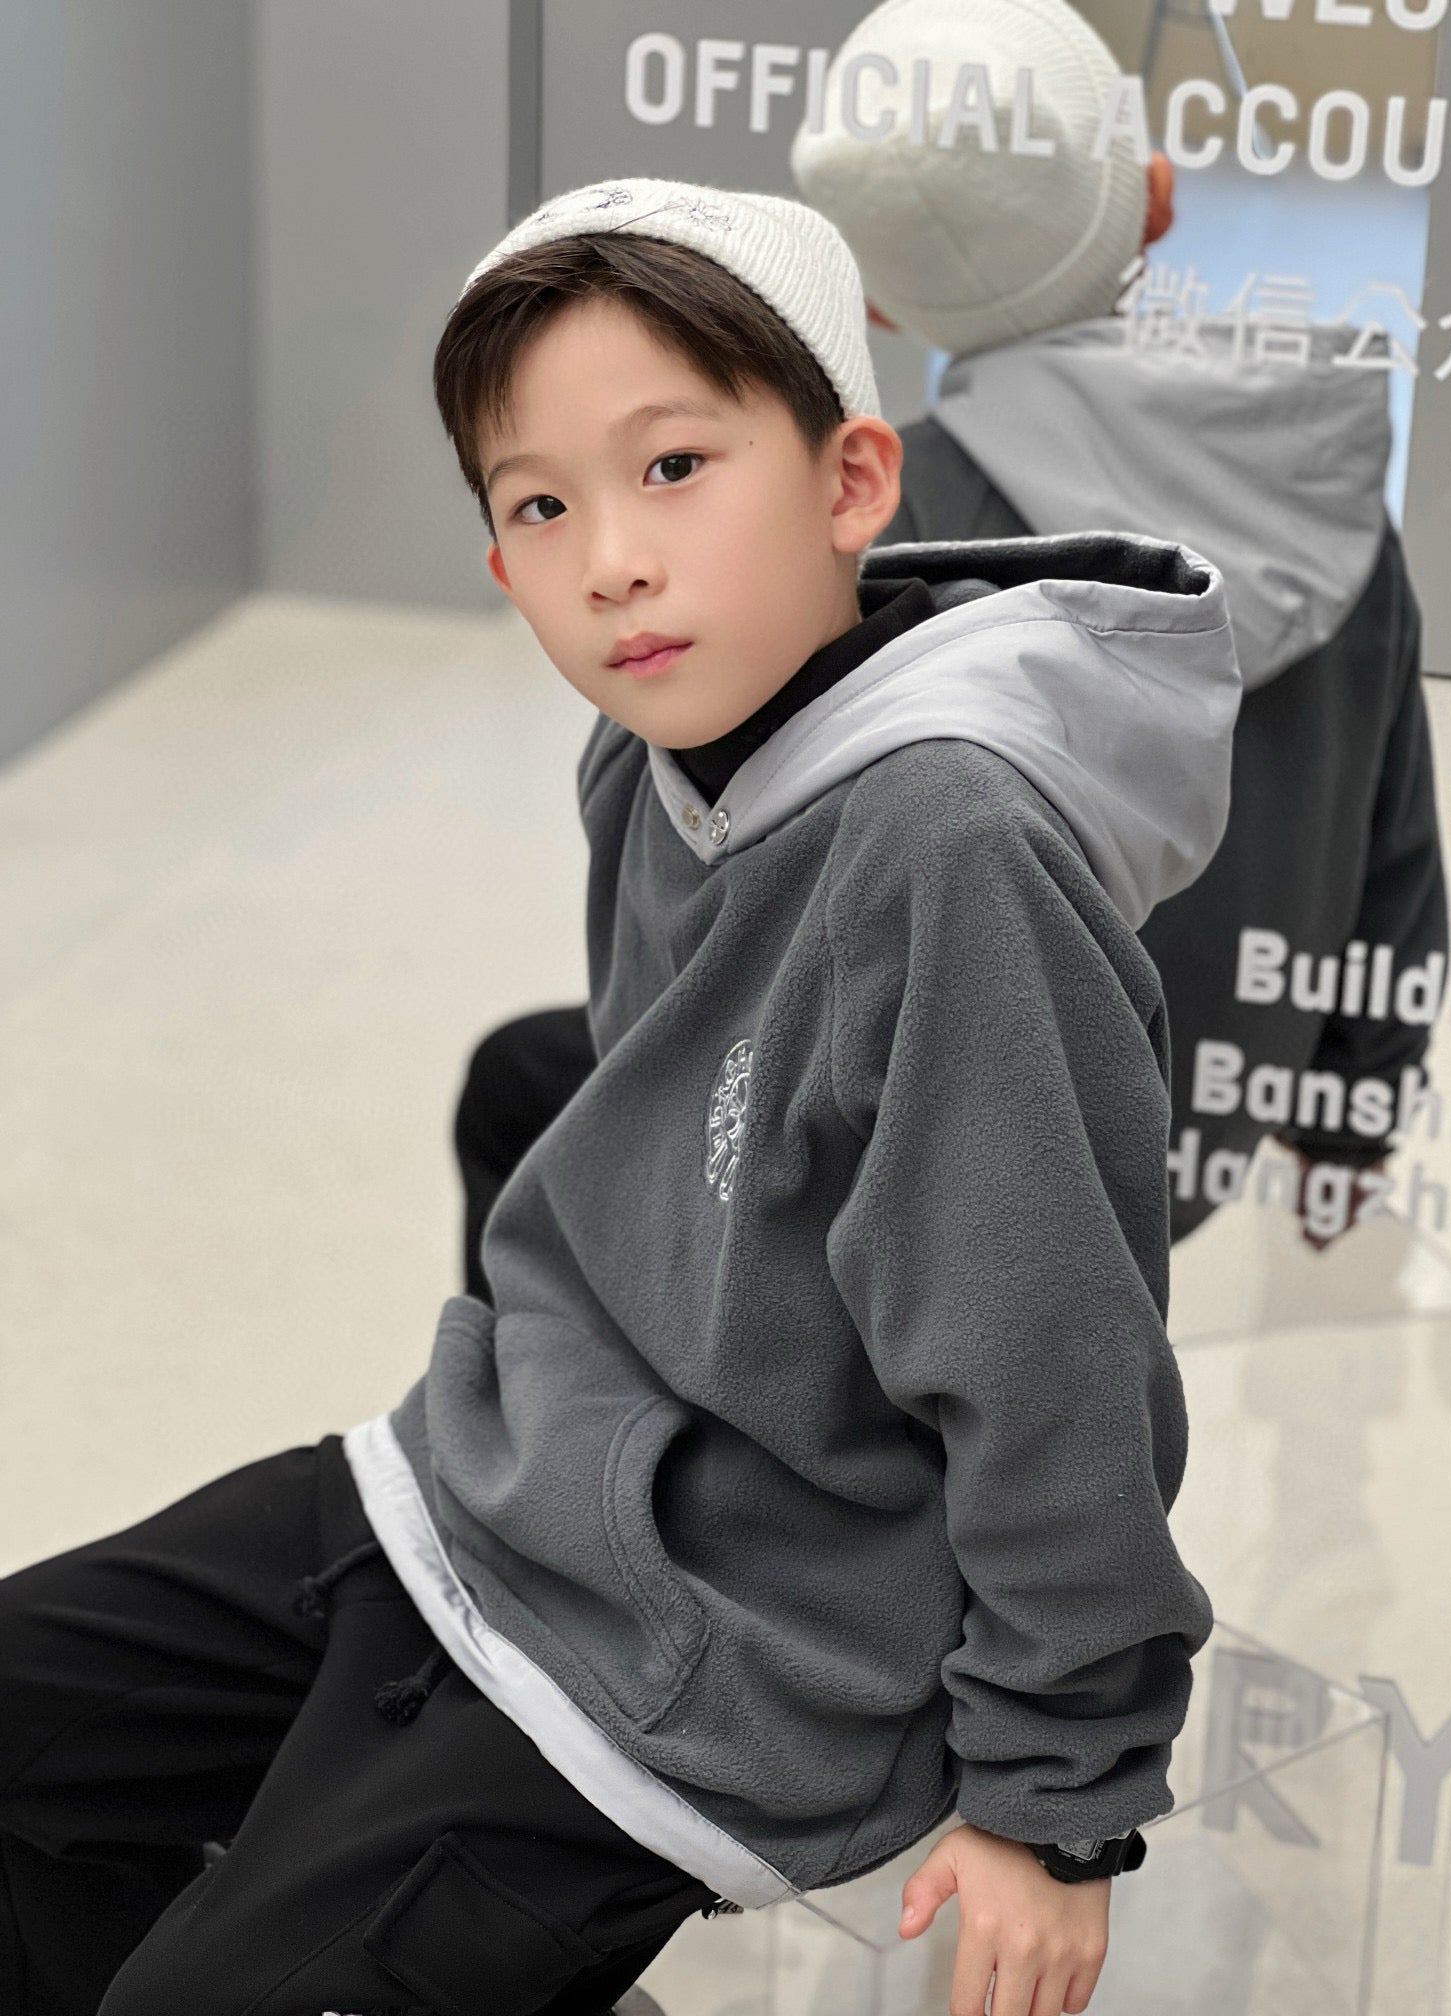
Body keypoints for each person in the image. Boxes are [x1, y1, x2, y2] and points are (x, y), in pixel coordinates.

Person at [0, 177, 1236, 2016]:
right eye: (541, 506)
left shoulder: (950, 846)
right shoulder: (653, 756)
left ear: (851, 481)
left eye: (672, 468)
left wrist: (1058, 1805)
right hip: (488, 1489)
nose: (611, 563)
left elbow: (1055, 1360)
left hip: (718, 1666)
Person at [455, 0, 1447, 1269]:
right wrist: (1357, 1122)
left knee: (513, 1089)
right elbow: (1397, 848)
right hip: (1207, 1123)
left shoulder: (865, 540)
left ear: (868, 308)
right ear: (1156, 200)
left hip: (939, 1172)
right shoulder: (1325, 489)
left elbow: (703, 975)